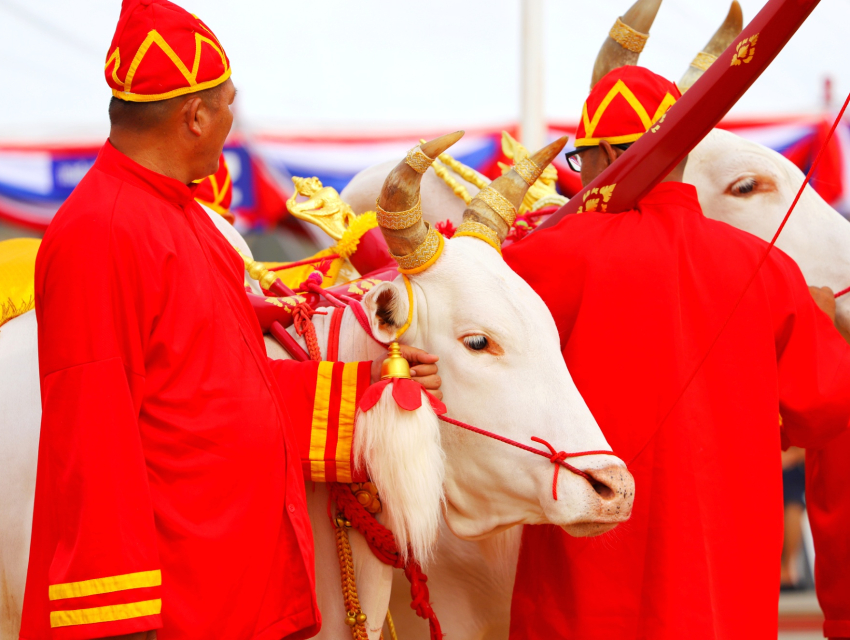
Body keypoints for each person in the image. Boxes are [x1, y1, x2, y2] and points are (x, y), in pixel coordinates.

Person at [19, 1, 440, 639]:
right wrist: (121, 623)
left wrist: (379, 396)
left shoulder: (188, 221)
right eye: (228, 108)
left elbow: (227, 389)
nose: (230, 124)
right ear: (194, 116)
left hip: (228, 585)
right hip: (177, 606)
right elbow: (93, 440)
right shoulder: (100, 233)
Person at [503, 65, 850, 639]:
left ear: (610, 154)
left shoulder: (540, 263)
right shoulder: (770, 271)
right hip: (725, 599)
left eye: (579, 159)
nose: (577, 177)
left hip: (585, 600)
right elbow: (826, 411)